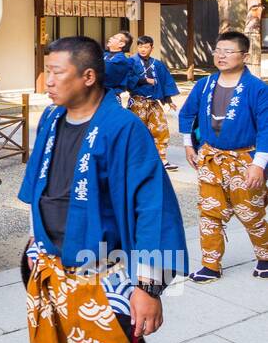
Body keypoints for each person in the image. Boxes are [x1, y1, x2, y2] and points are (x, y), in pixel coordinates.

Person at [18, 36, 187, 343]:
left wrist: (148, 287)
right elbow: (45, 191)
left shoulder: (123, 127)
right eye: (46, 70)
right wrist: (33, 247)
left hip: (101, 271)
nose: (47, 81)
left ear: (88, 77)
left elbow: (152, 205)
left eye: (56, 72)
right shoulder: (53, 119)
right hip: (49, 268)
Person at [178, 29, 268, 282]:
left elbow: (266, 127)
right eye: (217, 50)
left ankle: (265, 256)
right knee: (209, 212)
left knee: (251, 213)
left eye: (228, 51)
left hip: (244, 160)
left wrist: (259, 165)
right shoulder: (204, 83)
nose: (221, 56)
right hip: (211, 158)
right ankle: (210, 265)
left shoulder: (257, 88)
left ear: (244, 55)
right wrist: (188, 145)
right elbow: (186, 114)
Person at [128, 35, 180, 169]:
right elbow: (127, 79)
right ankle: (136, 160)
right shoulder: (131, 62)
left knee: (160, 128)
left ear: (152, 48)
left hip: (153, 102)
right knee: (137, 131)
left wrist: (168, 100)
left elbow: (164, 82)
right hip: (137, 102)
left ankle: (161, 159)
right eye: (140, 46)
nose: (143, 49)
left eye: (146, 47)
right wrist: (144, 80)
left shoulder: (157, 64)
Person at [103, 31, 144, 100]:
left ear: (121, 44)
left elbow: (106, 73)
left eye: (114, 38)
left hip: (111, 96)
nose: (110, 38)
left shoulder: (121, 60)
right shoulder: (105, 55)